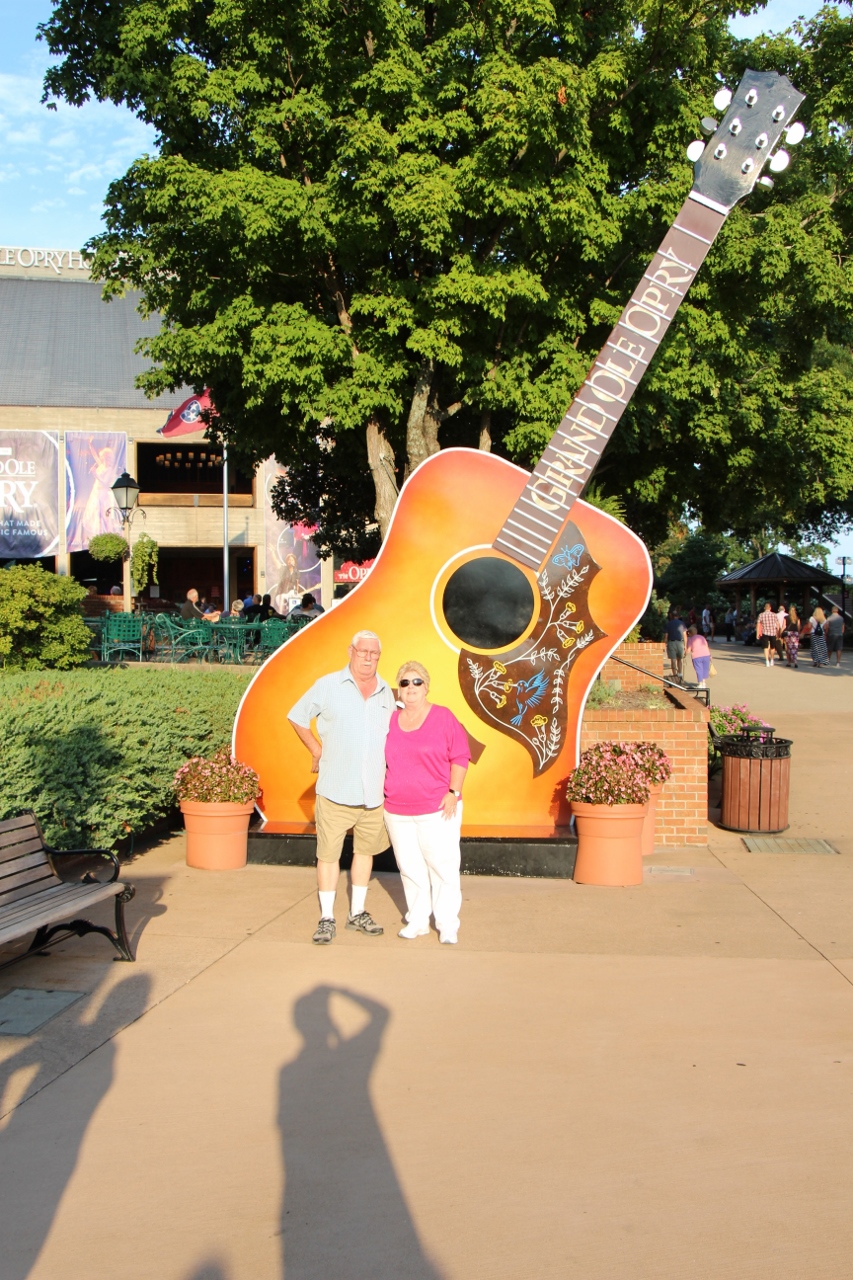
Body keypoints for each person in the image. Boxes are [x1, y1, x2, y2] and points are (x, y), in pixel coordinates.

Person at [288, 631, 396, 944]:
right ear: (350, 650)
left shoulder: (386, 692)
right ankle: (326, 917)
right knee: (329, 855)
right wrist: (316, 749)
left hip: (373, 793)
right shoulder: (328, 686)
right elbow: (297, 717)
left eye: (374, 654)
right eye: (363, 651)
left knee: (365, 852)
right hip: (335, 789)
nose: (368, 658)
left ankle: (357, 912)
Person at [383, 661, 470, 945]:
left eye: (416, 682)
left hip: (437, 808)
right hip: (396, 809)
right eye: (405, 683)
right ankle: (418, 920)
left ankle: (447, 924)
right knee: (409, 867)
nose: (411, 688)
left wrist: (453, 793)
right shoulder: (390, 720)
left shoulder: (443, 717)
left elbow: (460, 756)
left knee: (442, 866)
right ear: (399, 689)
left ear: (427, 686)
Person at [664, 610, 686, 681]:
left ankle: (674, 675)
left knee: (673, 660)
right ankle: (680, 674)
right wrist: (685, 645)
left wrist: (665, 643)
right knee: (679, 659)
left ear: (671, 616)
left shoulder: (669, 624)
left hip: (671, 642)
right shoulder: (682, 623)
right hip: (680, 642)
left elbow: (666, 635)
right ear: (678, 616)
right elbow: (685, 635)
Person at [756, 601, 780, 667]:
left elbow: (758, 625)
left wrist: (757, 633)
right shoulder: (774, 615)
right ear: (770, 608)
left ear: (764, 608)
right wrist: (778, 632)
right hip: (773, 632)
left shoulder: (761, 615)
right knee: (772, 647)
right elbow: (778, 624)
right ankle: (772, 659)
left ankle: (767, 661)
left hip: (765, 632)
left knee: (765, 647)